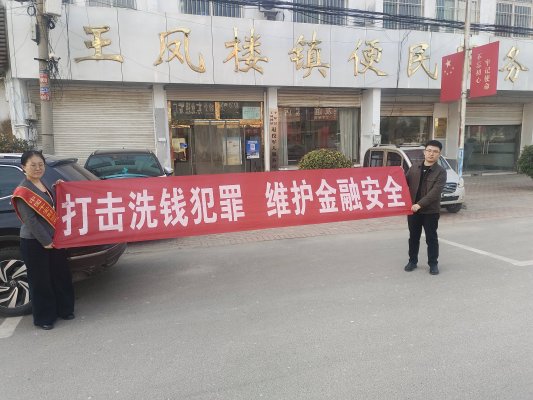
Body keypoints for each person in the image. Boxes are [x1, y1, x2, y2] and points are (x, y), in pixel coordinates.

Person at [12, 150, 75, 330]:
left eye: (41, 165)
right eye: (33, 165)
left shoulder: (43, 183)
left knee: (60, 275)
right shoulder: (22, 191)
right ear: (24, 167)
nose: (38, 168)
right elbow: (30, 221)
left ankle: (64, 309)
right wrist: (46, 241)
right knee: (41, 280)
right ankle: (45, 317)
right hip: (35, 242)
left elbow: (51, 204)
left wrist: (58, 188)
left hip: (54, 239)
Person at [404, 140, 447, 275]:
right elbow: (403, 183)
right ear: (424, 152)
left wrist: (419, 204)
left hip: (430, 211)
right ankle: (412, 261)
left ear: (439, 154)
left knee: (431, 238)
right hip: (413, 211)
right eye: (429, 150)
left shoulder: (441, 172)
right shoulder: (414, 168)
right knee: (413, 237)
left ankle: (433, 264)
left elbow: (435, 192)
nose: (431, 154)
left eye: (435, 151)